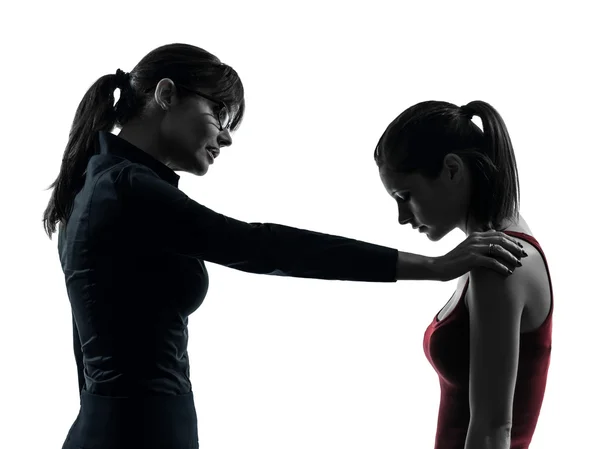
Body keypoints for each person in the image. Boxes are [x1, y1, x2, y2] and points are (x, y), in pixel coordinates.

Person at [42, 44, 526, 449]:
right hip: (141, 432)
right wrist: (434, 266)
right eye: (219, 114)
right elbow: (261, 246)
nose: (226, 137)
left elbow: (89, 356)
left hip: (110, 427)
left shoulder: (90, 187)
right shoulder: (128, 189)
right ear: (166, 95)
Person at [375, 100, 553, 449]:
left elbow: (492, 431)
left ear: (452, 170)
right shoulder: (490, 247)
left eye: (405, 196)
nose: (402, 217)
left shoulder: (498, 264)